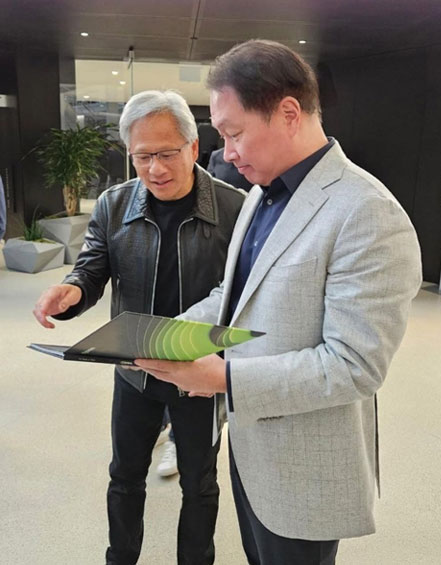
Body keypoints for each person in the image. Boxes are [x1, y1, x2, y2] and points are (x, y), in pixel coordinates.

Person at [135, 41, 423, 565]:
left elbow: (354, 366)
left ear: (289, 113)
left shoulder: (366, 212)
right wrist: (162, 333)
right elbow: (235, 298)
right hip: (253, 451)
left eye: (234, 133)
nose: (226, 153)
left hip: (306, 467)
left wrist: (223, 378)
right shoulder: (261, 195)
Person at [33, 90, 245, 565]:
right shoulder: (114, 204)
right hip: (134, 370)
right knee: (125, 476)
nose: (155, 169)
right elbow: (91, 268)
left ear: (193, 147)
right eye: (142, 156)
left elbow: (242, 295)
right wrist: (71, 291)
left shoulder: (235, 208)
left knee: (200, 483)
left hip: (200, 373)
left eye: (167, 154)